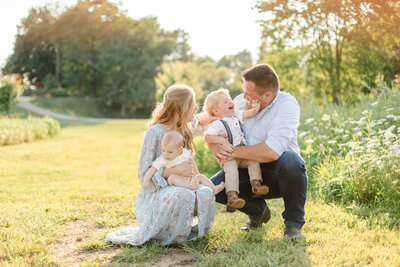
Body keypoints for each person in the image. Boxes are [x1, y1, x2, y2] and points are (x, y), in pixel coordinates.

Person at [106, 84, 216, 246]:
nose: (195, 108)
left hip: (181, 186)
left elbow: (199, 123)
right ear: (181, 107)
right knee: (182, 194)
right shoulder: (154, 133)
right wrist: (175, 170)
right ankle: (165, 231)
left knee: (206, 192)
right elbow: (144, 175)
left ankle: (181, 230)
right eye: (192, 104)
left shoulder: (183, 131)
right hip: (155, 196)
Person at [208, 63, 308, 239]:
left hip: (278, 172)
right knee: (216, 187)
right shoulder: (239, 102)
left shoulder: (286, 105)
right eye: (243, 91)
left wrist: (234, 152)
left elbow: (271, 152)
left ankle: (293, 225)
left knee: (292, 162)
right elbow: (215, 121)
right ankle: (258, 212)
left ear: (267, 95)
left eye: (249, 94)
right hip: (244, 167)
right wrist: (218, 150)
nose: (243, 97)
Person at [203, 88, 269, 211]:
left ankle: (256, 186)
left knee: (253, 160)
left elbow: (247, 114)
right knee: (231, 171)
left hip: (242, 152)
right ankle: (232, 197)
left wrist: (254, 108)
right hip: (229, 155)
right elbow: (208, 137)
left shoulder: (236, 115)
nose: (230, 102)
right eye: (225, 102)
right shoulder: (217, 123)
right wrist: (222, 141)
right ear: (216, 111)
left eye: (230, 100)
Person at [142, 130, 225, 195]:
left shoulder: (185, 153)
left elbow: (192, 164)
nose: (166, 154)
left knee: (201, 176)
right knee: (172, 177)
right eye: (163, 150)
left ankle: (214, 189)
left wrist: (196, 174)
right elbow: (152, 169)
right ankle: (189, 187)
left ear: (180, 150)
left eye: (170, 152)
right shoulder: (163, 159)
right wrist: (146, 181)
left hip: (187, 178)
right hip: (175, 181)